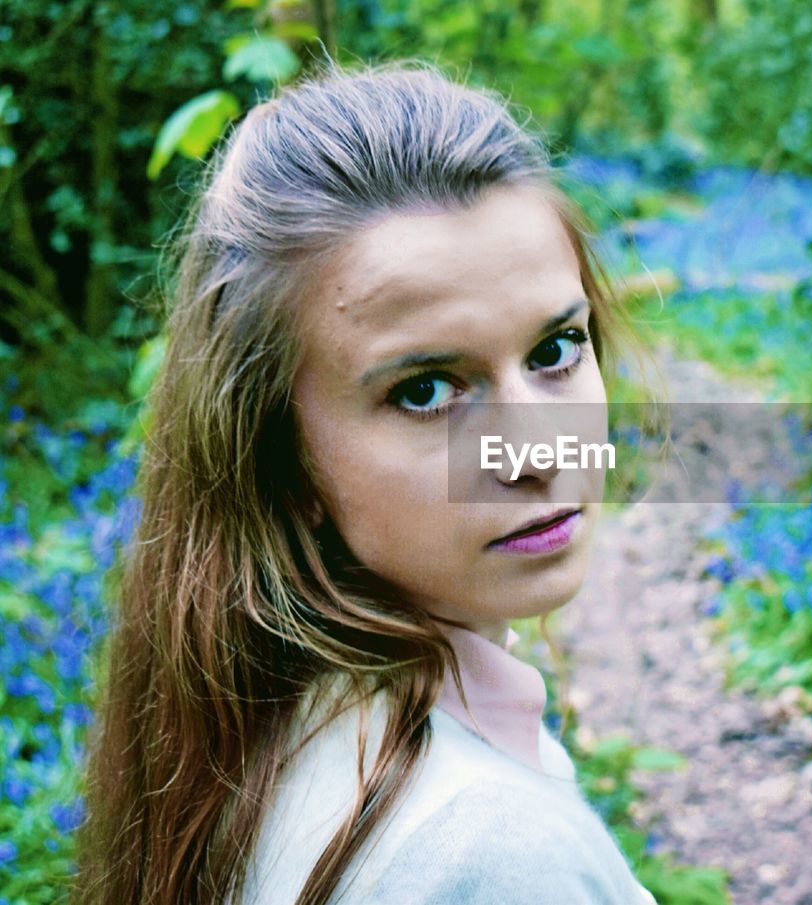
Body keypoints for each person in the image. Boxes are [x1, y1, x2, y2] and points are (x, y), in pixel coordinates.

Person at [74, 59, 668, 905]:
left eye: (556, 350)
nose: (536, 454)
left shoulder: (267, 734)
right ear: (280, 456)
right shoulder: (487, 852)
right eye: (425, 391)